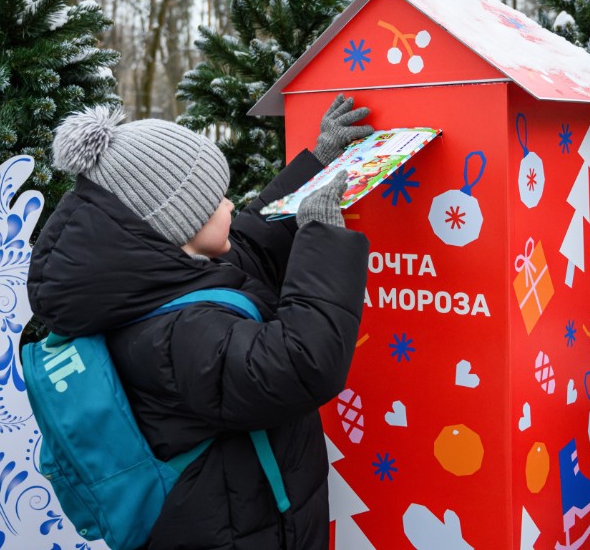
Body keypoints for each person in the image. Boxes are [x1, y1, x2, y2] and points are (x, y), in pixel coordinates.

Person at [27, 95, 373, 550]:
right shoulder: (178, 331)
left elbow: (251, 243)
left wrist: (317, 165)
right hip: (239, 533)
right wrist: (323, 240)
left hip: (240, 515)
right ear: (176, 225)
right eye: (213, 200)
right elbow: (297, 365)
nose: (229, 204)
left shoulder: (157, 278)